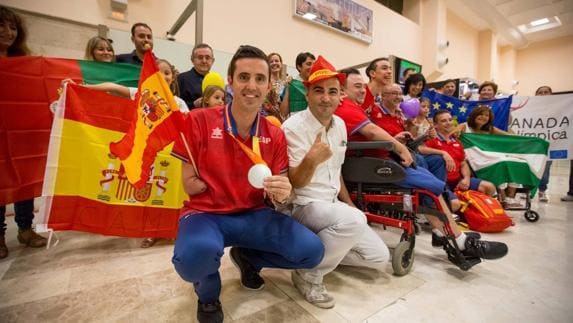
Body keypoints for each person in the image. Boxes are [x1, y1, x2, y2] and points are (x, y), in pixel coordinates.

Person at [169, 45, 324, 323]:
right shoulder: (198, 121)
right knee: (193, 259)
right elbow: (189, 184)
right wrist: (197, 183)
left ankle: (250, 258)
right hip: (208, 214)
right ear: (230, 81)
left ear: (268, 86)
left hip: (255, 216)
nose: (251, 86)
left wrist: (284, 192)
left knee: (312, 252)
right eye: (243, 77)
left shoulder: (274, 134)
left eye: (259, 79)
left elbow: (279, 198)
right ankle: (207, 294)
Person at [335, 70, 507, 264]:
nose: (362, 91)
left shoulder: (356, 107)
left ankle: (446, 233)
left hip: (381, 160)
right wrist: (400, 147)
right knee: (432, 187)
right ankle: (458, 240)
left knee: (430, 184)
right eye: (357, 87)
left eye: (362, 86)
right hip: (369, 165)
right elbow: (373, 132)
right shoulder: (346, 108)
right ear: (342, 91)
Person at [282, 57, 389, 309]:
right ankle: (309, 274)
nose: (325, 98)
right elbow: (294, 183)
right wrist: (311, 159)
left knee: (378, 257)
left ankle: (314, 253)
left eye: (332, 92)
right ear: (307, 93)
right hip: (303, 206)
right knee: (353, 222)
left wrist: (350, 204)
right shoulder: (292, 127)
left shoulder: (339, 124)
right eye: (318, 91)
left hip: (332, 206)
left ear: (341, 95)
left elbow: (336, 170)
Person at [0, 6, 47, 260]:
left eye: (13, 27)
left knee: (24, 181)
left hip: (22, 134)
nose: (8, 32)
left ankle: (25, 228)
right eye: (2, 26)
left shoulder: (25, 65)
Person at [424, 110, 497, 196]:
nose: (448, 123)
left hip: (458, 181)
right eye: (443, 121)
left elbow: (463, 163)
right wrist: (443, 153)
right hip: (442, 182)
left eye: (450, 120)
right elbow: (420, 148)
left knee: (489, 187)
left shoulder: (457, 142)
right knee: (455, 204)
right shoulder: (431, 139)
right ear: (435, 125)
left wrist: (466, 179)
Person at [178, 43, 215, 109]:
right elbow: (174, 104)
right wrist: (193, 104)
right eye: (200, 57)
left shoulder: (216, 81)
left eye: (207, 57)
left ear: (213, 61)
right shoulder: (181, 79)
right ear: (192, 60)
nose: (204, 61)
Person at [279, 52, 315, 116]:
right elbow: (283, 113)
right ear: (299, 67)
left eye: (314, 64)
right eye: (308, 64)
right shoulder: (290, 84)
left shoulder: (317, 85)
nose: (312, 67)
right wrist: (287, 88)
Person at [535, 86, 553, 202]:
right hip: (531, 145)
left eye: (546, 92)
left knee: (545, 169)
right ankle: (525, 192)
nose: (543, 94)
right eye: (540, 92)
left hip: (549, 144)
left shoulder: (558, 107)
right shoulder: (530, 107)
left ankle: (542, 191)